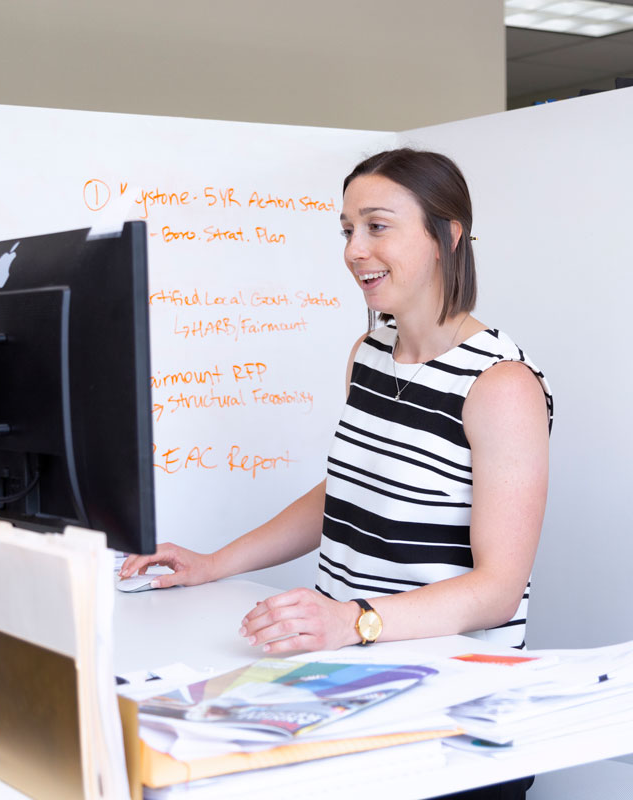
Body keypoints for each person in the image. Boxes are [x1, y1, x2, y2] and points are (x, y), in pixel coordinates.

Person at [123, 148, 551, 654]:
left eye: (377, 227)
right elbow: (349, 492)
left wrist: (351, 622)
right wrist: (213, 563)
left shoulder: (500, 384)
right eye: (348, 230)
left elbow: (498, 592)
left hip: (447, 678)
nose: (354, 250)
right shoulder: (368, 355)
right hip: (352, 663)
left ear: (446, 238)